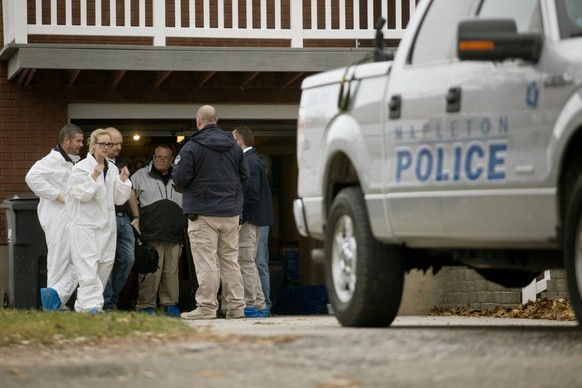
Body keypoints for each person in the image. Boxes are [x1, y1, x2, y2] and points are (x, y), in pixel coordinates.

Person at [172, 105, 249, 320]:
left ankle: (206, 306)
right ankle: (236, 307)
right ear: (217, 120)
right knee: (230, 260)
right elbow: (245, 175)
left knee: (206, 261)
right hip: (231, 212)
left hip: (203, 213)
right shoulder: (234, 147)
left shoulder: (192, 146)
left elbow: (179, 178)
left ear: (198, 122)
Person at [67, 129, 132, 313]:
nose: (106, 147)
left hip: (106, 227)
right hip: (85, 226)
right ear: (93, 145)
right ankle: (91, 307)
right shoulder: (80, 168)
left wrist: (122, 180)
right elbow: (81, 194)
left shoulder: (111, 169)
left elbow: (118, 199)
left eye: (109, 144)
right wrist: (93, 177)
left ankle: (85, 306)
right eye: (102, 143)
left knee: (104, 266)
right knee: (88, 267)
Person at [25, 123, 84, 311]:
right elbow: (31, 177)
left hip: (71, 218)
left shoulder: (72, 161)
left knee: (75, 261)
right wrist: (56, 195)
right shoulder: (53, 160)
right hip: (57, 219)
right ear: (66, 140)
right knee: (59, 262)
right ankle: (53, 304)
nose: (81, 144)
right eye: (78, 140)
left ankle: (55, 298)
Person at [132, 144, 187, 317]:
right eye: (158, 157)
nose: (162, 160)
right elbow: (128, 195)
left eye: (166, 157)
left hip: (175, 232)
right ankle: (145, 305)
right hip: (150, 231)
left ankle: (169, 304)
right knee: (150, 270)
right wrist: (136, 218)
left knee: (171, 272)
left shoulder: (180, 177)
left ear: (172, 159)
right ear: (153, 158)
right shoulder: (140, 176)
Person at [232, 126, 274, 317]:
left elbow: (250, 193)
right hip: (257, 218)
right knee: (249, 262)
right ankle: (259, 304)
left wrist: (242, 217)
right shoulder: (254, 160)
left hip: (250, 219)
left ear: (239, 142)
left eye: (233, 141)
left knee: (245, 261)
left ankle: (252, 304)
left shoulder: (249, 162)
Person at [103, 127, 140, 311]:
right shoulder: (96, 164)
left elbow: (130, 189)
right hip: (105, 220)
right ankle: (107, 303)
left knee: (128, 259)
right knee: (106, 262)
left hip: (125, 220)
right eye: (114, 143)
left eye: (120, 144)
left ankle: (112, 298)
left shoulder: (122, 163)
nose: (118, 147)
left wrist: (136, 217)